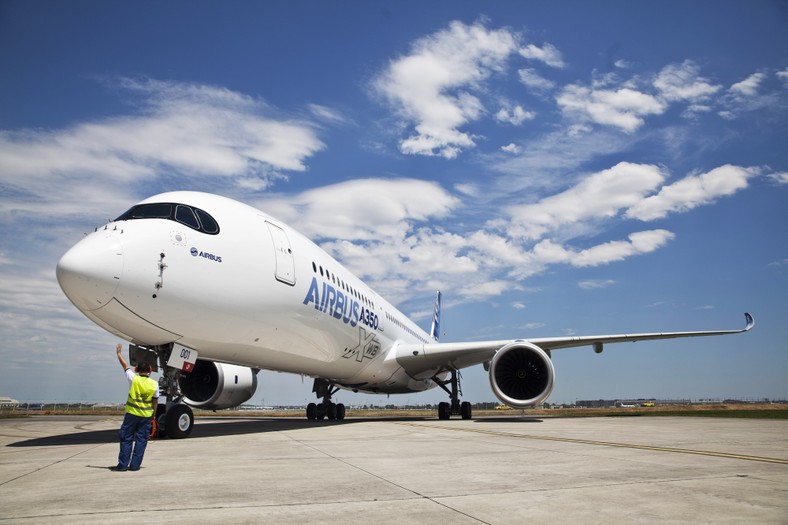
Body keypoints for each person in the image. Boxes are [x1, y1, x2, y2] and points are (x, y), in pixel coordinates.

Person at [114, 343, 159, 471]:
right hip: (145, 417)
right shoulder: (154, 384)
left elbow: (125, 366)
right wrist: (153, 415)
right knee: (141, 441)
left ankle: (123, 465)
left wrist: (118, 353)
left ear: (137, 370)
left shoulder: (133, 378)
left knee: (126, 439)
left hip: (131, 415)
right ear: (150, 371)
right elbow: (155, 402)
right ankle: (135, 466)